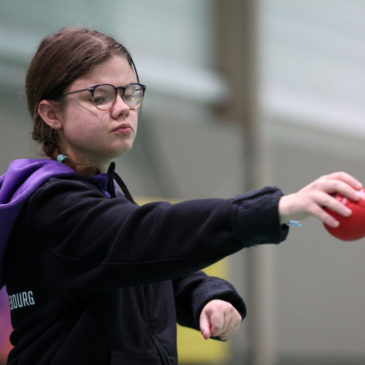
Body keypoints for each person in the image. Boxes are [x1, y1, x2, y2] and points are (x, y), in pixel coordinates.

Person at [0, 27, 362, 365]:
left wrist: (206, 295)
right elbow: (149, 235)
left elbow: (152, 273)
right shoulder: (51, 207)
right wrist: (277, 208)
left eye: (130, 92)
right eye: (100, 96)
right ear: (51, 114)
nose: (123, 106)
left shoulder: (105, 200)